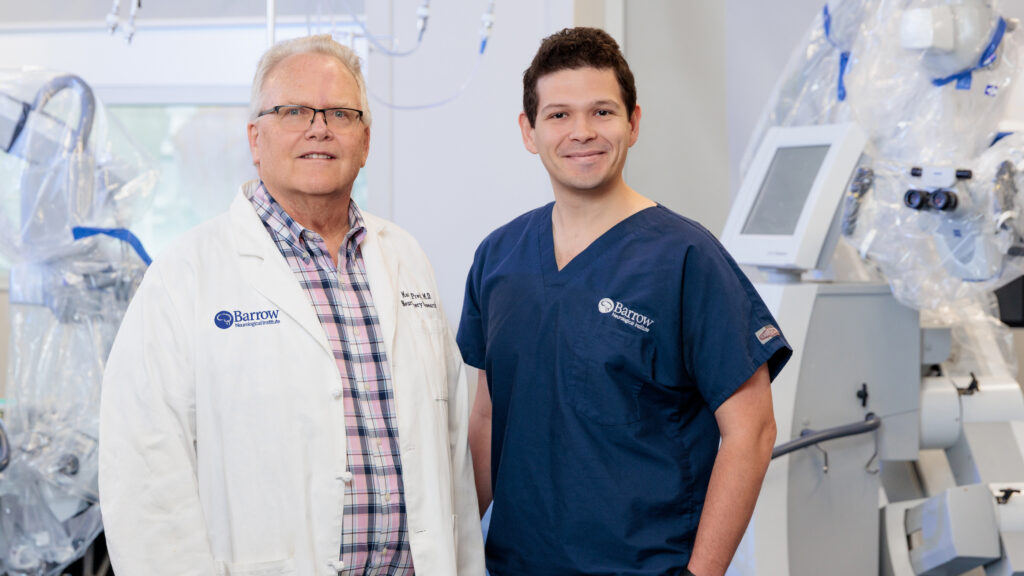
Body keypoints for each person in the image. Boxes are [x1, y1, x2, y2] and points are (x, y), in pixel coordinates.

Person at [98, 35, 484, 576]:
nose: (319, 127)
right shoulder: (185, 274)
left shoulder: (406, 259)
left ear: (366, 140)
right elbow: (142, 473)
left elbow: (450, 460)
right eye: (293, 110)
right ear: (255, 138)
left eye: (341, 114)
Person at [457, 27, 792, 576]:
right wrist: (452, 548)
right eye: (559, 115)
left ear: (633, 123)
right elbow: (488, 415)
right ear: (529, 130)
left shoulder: (686, 257)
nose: (582, 132)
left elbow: (752, 430)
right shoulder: (499, 257)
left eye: (603, 112)